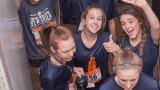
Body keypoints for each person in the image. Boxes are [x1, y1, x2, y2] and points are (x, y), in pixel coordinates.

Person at [103, 0, 160, 77]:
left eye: (130, 22)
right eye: (123, 23)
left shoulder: (150, 38)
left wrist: (145, 5)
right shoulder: (121, 41)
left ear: (140, 21)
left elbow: (156, 26)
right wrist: (115, 51)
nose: (127, 26)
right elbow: (119, 69)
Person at [14, 0, 57, 89]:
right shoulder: (22, 5)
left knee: (56, 77)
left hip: (53, 50)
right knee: (41, 82)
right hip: (36, 55)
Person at [73, 5, 112, 90]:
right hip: (81, 86)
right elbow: (63, 63)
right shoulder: (73, 39)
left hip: (103, 86)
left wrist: (117, 50)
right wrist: (73, 70)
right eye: (91, 18)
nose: (95, 22)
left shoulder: (107, 38)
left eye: (99, 19)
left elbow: (120, 61)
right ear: (83, 20)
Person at [39, 19, 84, 90]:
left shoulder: (65, 57)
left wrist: (74, 69)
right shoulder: (49, 76)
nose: (71, 54)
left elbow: (65, 66)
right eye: (65, 52)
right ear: (53, 50)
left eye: (73, 47)